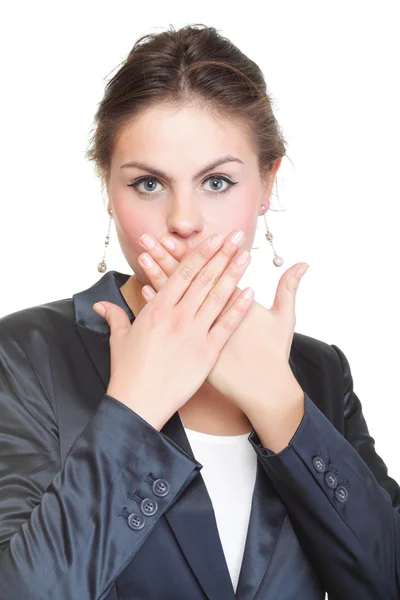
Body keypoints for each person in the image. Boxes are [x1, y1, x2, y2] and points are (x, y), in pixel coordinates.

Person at [0, 23, 399, 600]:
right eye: (148, 184)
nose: (183, 220)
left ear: (266, 186)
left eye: (216, 181)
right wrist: (134, 406)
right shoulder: (26, 356)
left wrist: (283, 407)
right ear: (108, 190)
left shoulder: (317, 371)